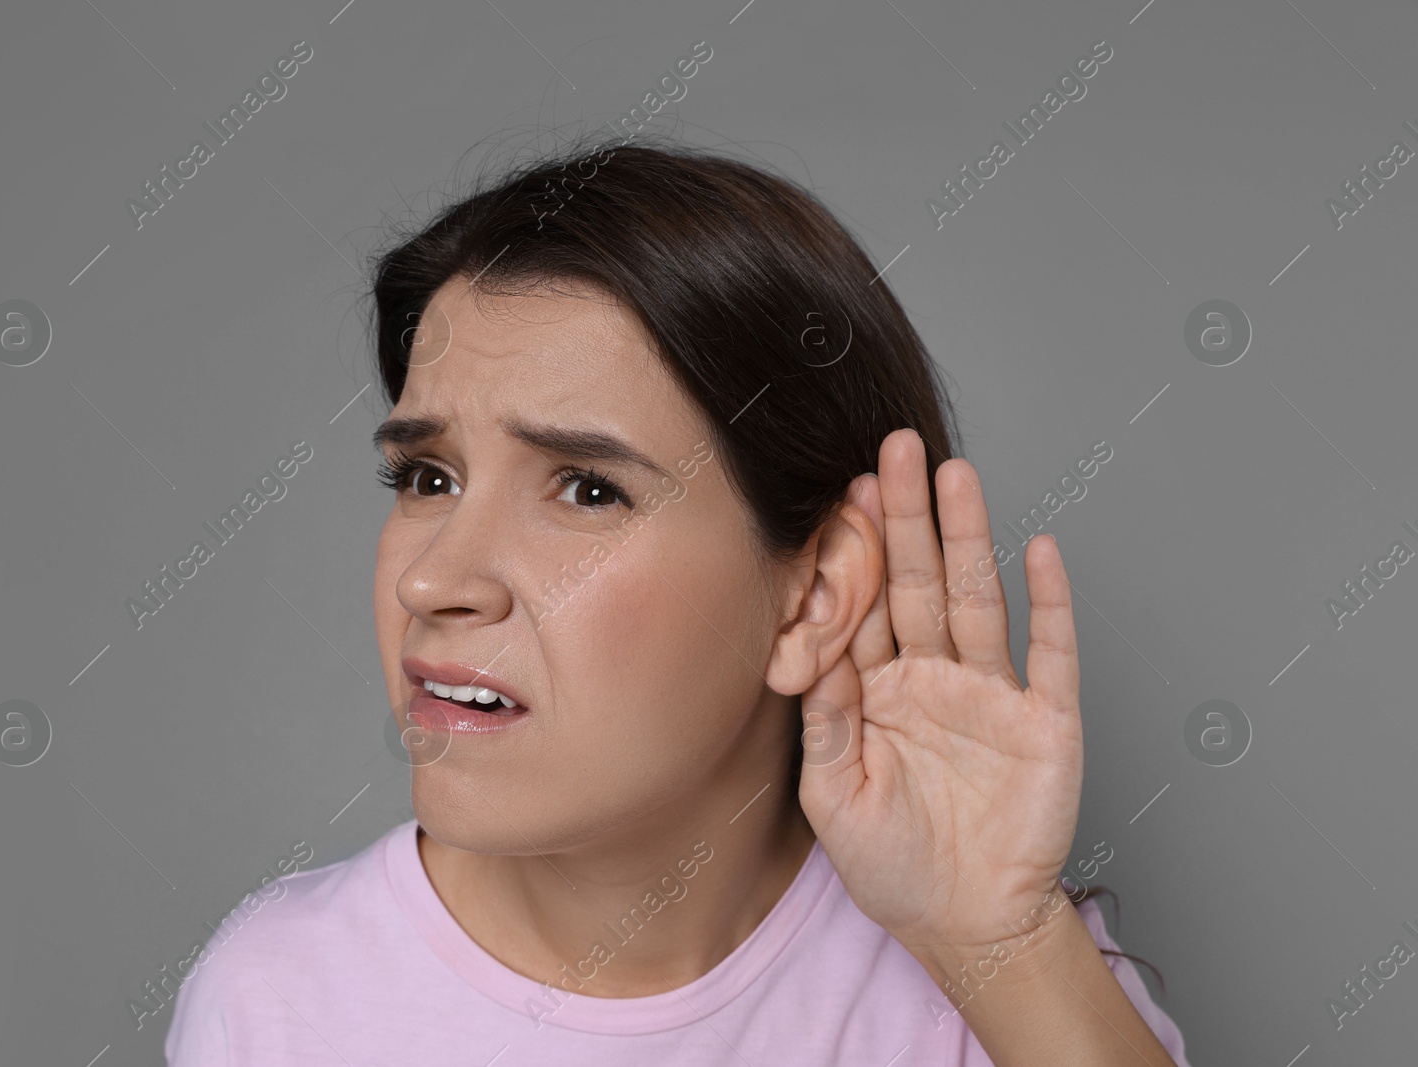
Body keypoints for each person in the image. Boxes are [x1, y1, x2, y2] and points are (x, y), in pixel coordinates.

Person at [165, 137, 1192, 1065]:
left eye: (585, 487)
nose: (434, 579)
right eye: (428, 478)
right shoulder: (277, 1005)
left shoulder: (994, 990)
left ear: (814, 597)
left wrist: (999, 944)